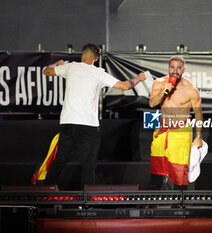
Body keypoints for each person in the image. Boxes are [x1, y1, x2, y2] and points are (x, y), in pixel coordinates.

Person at [42, 43, 146, 188]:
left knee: (60, 159)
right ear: (96, 59)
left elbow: (46, 72)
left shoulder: (70, 67)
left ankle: (44, 193)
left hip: (68, 122)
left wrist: (57, 63)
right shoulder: (98, 73)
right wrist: (139, 78)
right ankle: (86, 203)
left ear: (83, 54)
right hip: (87, 125)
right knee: (88, 164)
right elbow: (125, 86)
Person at [149, 56, 203, 190]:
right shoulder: (159, 83)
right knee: (156, 168)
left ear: (183, 70)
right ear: (168, 68)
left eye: (178, 68)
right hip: (162, 130)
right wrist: (164, 90)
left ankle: (179, 204)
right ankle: (151, 204)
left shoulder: (191, 89)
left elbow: (198, 114)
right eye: (172, 67)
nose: (175, 70)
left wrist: (198, 136)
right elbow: (152, 103)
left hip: (181, 132)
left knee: (179, 171)